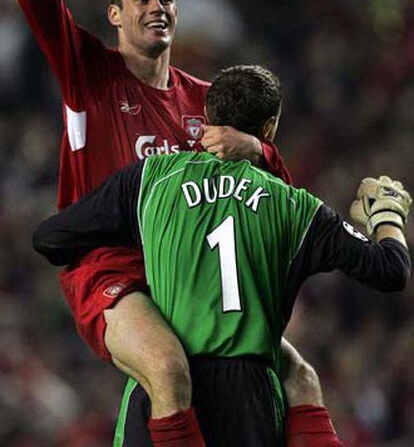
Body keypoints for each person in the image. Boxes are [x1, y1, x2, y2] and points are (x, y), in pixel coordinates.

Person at [6, 0, 323, 447]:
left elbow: (277, 192)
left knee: (300, 376)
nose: (158, 7)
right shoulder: (89, 77)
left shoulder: (209, 100)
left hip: (192, 276)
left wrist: (255, 146)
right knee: (168, 368)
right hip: (111, 271)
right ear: (115, 15)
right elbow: (40, 0)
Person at [33, 65, 412, 446]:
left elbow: (51, 238)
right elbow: (391, 270)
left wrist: (140, 268)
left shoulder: (150, 178)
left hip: (171, 399)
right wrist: (387, 214)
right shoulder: (296, 207)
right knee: (301, 377)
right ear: (269, 130)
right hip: (253, 397)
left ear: (208, 117)